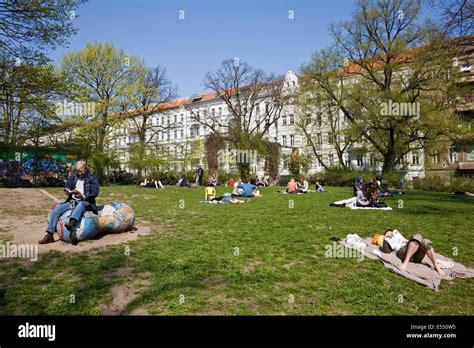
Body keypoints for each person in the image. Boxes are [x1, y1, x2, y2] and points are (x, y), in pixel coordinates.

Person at [39, 161, 99, 245]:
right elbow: (67, 185)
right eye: (78, 171)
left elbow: (95, 192)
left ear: (85, 169)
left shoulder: (92, 178)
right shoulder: (74, 176)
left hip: (86, 202)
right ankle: (49, 235)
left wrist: (85, 196)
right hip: (74, 201)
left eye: (81, 171)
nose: (79, 173)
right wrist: (67, 190)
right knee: (57, 210)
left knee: (81, 204)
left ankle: (71, 223)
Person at [373, 229, 445, 275]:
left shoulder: (401, 238)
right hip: (403, 253)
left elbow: (415, 242)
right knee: (418, 236)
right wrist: (386, 239)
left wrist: (407, 241)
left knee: (426, 242)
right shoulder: (387, 242)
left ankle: (436, 266)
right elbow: (386, 252)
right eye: (388, 234)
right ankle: (406, 262)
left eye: (391, 232)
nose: (390, 234)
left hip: (416, 255)